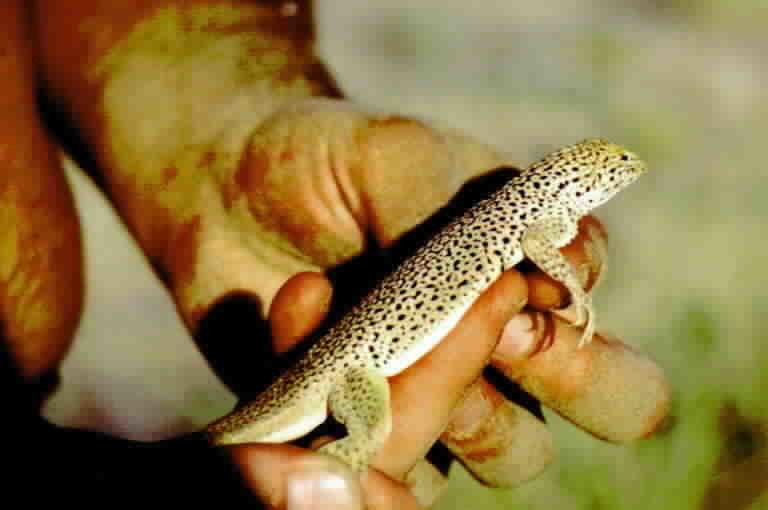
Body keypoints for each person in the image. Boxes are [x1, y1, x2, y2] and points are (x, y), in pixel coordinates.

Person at [2, 1, 670, 508]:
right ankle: (343, 451)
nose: (622, 174)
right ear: (581, 183)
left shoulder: (533, 207)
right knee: (363, 438)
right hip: (352, 365)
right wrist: (576, 293)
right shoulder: (533, 218)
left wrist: (216, 123)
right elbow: (531, 245)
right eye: (614, 169)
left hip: (348, 358)